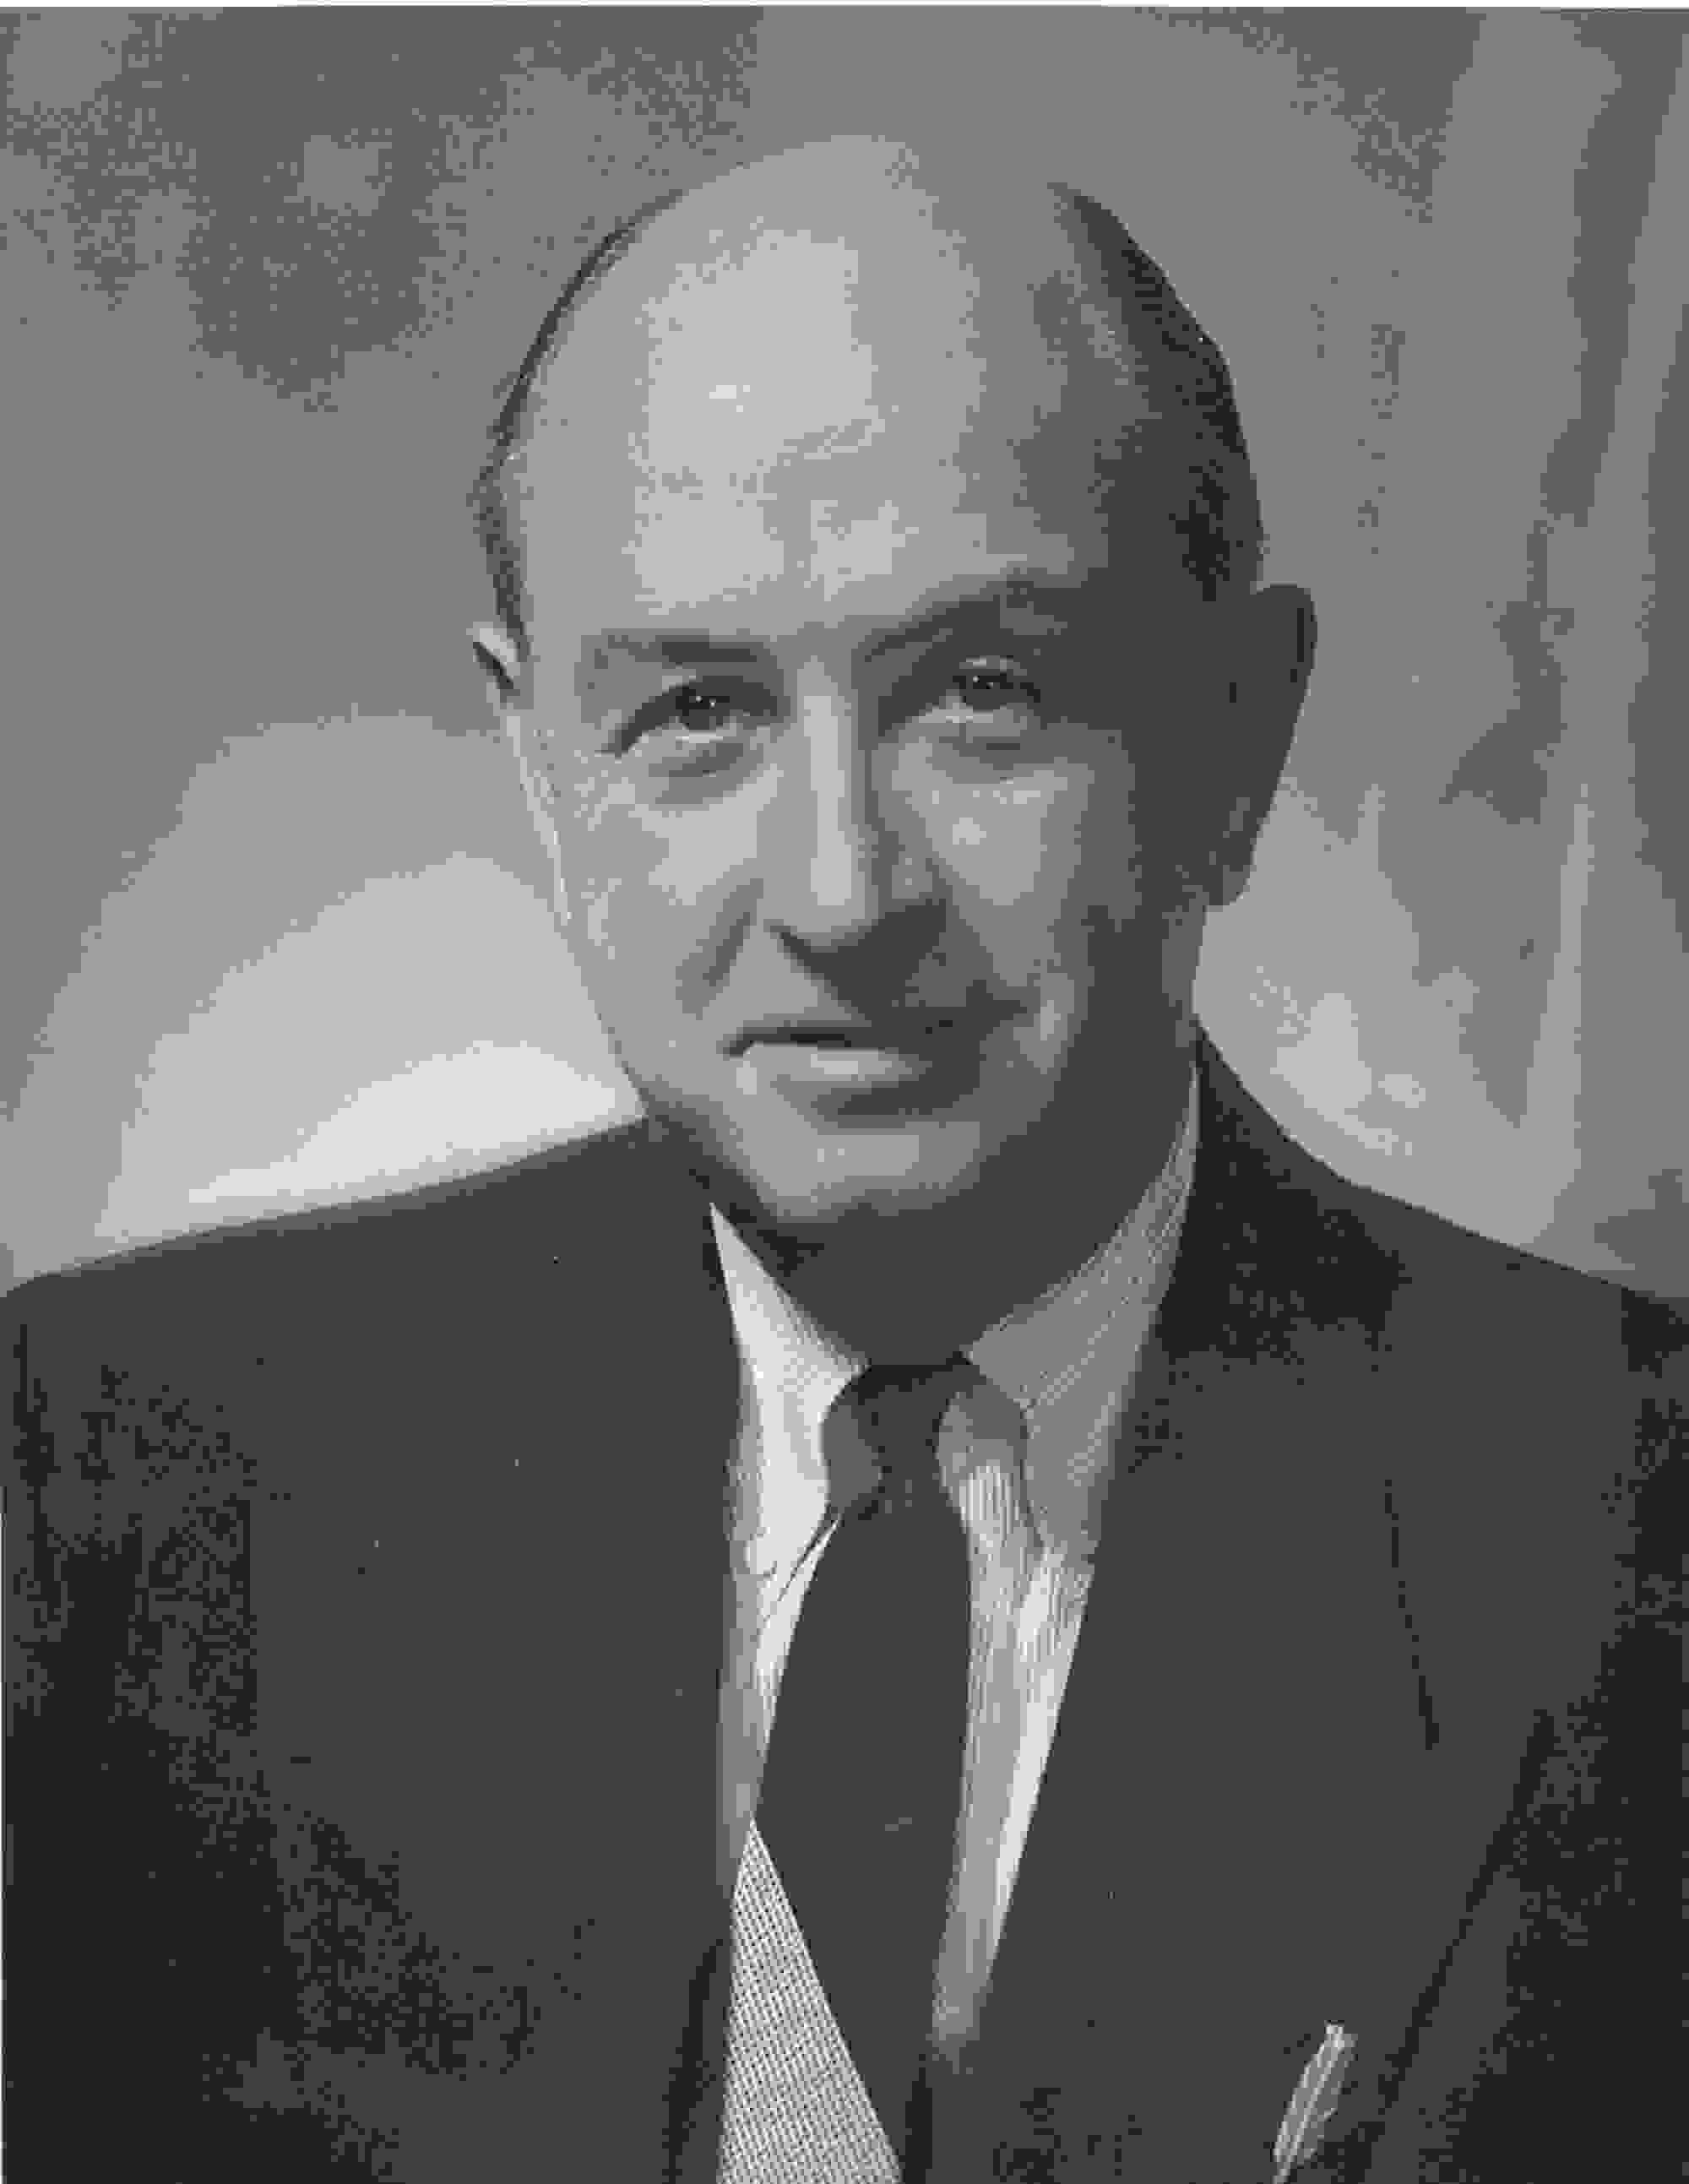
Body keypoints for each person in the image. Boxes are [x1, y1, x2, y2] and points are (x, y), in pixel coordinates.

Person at [4, 133, 1679, 2183]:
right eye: (695, 711)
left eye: (984, 694)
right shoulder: (107, 1489)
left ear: (1238, 739)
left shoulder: (1630, 1540)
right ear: (540, 770)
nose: (841, 892)